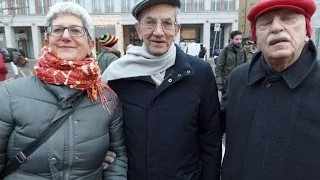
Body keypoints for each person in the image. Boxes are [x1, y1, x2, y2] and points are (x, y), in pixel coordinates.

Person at [0, 2, 127, 179]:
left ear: (91, 44)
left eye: (76, 30)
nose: (66, 36)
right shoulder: (9, 95)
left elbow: (118, 159)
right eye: (58, 30)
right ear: (47, 41)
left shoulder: (107, 99)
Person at [102, 0, 222, 179]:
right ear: (138, 28)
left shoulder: (200, 72)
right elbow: (100, 128)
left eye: (167, 23)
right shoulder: (117, 76)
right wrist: (96, 153)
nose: (158, 32)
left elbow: (210, 138)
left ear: (177, 29)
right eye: (150, 22)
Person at [220, 0, 318, 179]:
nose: (276, 28)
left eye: (288, 19)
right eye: (265, 23)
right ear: (256, 39)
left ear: (306, 32)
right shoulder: (238, 78)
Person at [215, 30, 247, 95]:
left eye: (240, 39)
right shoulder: (225, 51)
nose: (239, 41)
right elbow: (219, 68)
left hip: (240, 84)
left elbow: (246, 67)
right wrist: (220, 84)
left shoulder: (243, 51)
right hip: (227, 85)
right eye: (237, 39)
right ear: (231, 40)